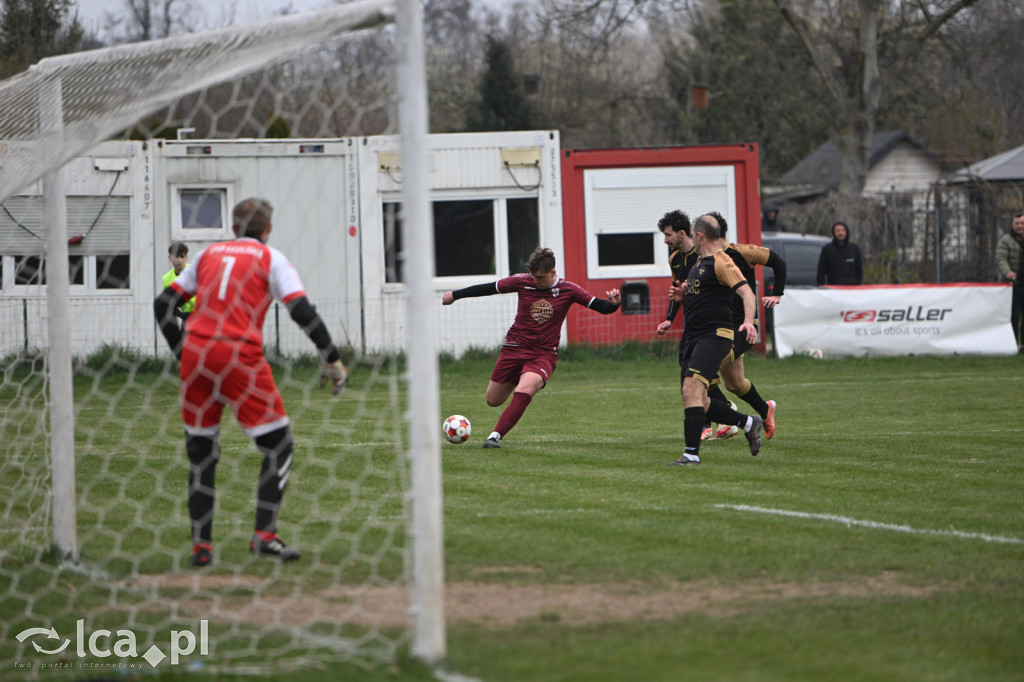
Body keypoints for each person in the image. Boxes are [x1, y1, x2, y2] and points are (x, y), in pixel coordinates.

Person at [153, 197, 348, 567]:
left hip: (197, 357)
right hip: (239, 356)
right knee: (279, 444)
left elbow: (161, 305)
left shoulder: (207, 256)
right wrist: (332, 358)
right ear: (268, 228)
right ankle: (264, 536)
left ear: (232, 228)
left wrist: (183, 353)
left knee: (201, 453)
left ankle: (201, 548)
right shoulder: (271, 258)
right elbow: (301, 310)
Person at [442, 247, 621, 449]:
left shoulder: (569, 289)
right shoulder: (522, 281)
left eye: (540, 277)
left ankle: (494, 437)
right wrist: (455, 295)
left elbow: (601, 306)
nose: (536, 281)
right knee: (493, 400)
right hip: (514, 348)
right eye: (534, 277)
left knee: (527, 387)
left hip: (543, 354)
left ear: (553, 272)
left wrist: (614, 304)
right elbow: (489, 288)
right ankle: (521, 377)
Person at [669, 212, 764, 466]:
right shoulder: (701, 262)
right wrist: (683, 296)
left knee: (691, 389)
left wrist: (748, 321)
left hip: (714, 336)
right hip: (694, 336)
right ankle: (748, 422)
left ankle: (691, 454)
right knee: (699, 399)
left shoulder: (722, 261)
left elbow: (747, 293)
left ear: (699, 236)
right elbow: (705, 296)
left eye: (692, 235)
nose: (691, 239)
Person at [995, 212, 1024, 345]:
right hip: (1012, 285)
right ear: (1012, 225)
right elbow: (1000, 258)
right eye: (1017, 223)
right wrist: (1008, 272)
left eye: (1022, 223)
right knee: (1013, 316)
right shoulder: (1005, 240)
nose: (1019, 226)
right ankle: (1012, 343)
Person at [817, 221, 863, 285]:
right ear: (834, 233)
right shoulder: (827, 249)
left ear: (846, 232)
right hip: (834, 287)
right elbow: (821, 271)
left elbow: (859, 270)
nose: (840, 233)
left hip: (852, 287)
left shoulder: (854, 248)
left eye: (842, 230)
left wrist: (858, 284)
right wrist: (821, 286)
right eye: (838, 230)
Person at [162, 243, 196, 324]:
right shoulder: (166, 279)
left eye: (182, 256)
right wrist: (182, 315)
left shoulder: (195, 271)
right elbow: (169, 303)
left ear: (186, 257)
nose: (180, 260)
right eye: (176, 257)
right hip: (187, 317)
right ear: (170, 258)